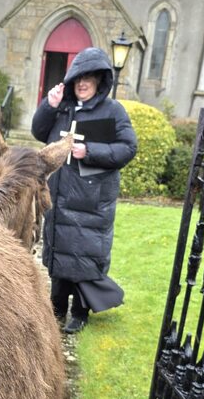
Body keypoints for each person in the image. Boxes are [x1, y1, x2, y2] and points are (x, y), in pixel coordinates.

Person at [31, 47, 137, 334]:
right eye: (78, 78)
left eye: (88, 78)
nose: (82, 83)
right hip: (59, 193)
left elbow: (128, 148)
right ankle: (56, 308)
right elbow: (39, 132)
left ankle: (79, 312)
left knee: (83, 257)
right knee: (59, 254)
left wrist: (89, 151)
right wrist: (49, 106)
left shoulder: (113, 111)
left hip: (91, 199)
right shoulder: (63, 107)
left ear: (100, 80)